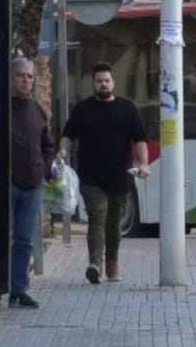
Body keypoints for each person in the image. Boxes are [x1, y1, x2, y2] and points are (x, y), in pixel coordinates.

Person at [59, 62, 150, 284]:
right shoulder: (83, 109)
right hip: (91, 178)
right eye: (99, 81)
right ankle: (95, 264)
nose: (103, 84)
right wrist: (62, 151)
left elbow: (139, 138)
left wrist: (144, 163)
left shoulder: (127, 108)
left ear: (113, 83)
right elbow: (68, 134)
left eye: (106, 80)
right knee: (97, 217)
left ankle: (112, 261)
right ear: (93, 83)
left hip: (120, 176)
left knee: (113, 225)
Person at [0, 57, 55, 310]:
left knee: (24, 240)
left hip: (32, 184)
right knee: (0, 237)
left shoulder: (37, 110)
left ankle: (18, 290)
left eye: (29, 76)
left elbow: (48, 144)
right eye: (20, 75)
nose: (26, 80)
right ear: (10, 77)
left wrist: (44, 168)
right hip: (6, 183)